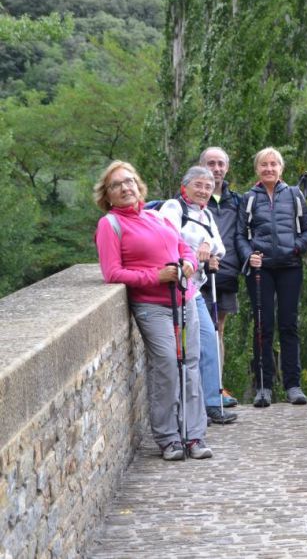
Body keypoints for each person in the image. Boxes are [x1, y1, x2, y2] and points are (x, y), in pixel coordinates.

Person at [94, 161, 212, 460]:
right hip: (152, 306)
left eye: (130, 181)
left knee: (191, 365)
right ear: (107, 195)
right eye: (117, 185)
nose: (125, 188)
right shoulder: (110, 225)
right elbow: (112, 273)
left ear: (139, 185)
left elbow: (182, 248)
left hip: (183, 299)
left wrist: (189, 263)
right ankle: (169, 437)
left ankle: (194, 435)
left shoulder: (156, 217)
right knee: (167, 367)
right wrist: (155, 277)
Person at [237, 147, 307, 408]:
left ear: (281, 168)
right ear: (257, 169)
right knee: (263, 326)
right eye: (264, 165)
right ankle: (263, 386)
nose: (269, 168)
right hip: (261, 270)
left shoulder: (294, 195)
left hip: (290, 266)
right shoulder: (248, 198)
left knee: (289, 325)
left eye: (274, 164)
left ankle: (293, 385)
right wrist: (249, 256)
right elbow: (240, 235)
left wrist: (295, 248)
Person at [160, 166, 238, 425]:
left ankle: (212, 404)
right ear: (185, 187)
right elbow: (167, 239)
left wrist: (208, 246)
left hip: (193, 290)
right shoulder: (173, 207)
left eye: (207, 186)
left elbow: (221, 247)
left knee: (209, 339)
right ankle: (186, 407)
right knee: (183, 350)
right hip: (172, 289)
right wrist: (196, 250)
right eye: (198, 186)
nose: (204, 191)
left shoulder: (206, 215)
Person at [198, 147, 242, 408]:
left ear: (227, 167)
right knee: (197, 332)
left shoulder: (235, 200)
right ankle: (200, 390)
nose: (216, 168)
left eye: (220, 164)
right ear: (202, 165)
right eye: (211, 163)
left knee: (218, 330)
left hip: (223, 273)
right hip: (195, 274)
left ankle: (217, 387)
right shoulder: (189, 197)